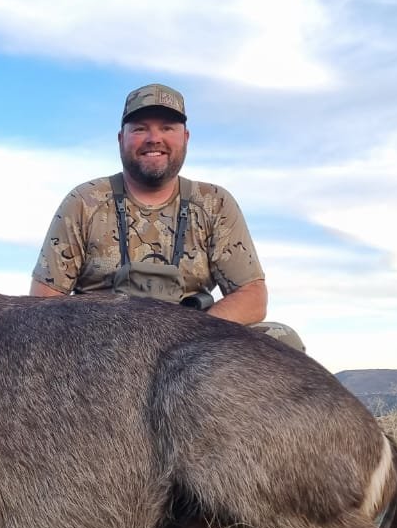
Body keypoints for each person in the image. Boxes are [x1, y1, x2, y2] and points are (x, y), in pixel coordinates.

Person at [30, 83, 304, 351]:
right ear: (120, 139)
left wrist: (189, 336)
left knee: (282, 341)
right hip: (100, 349)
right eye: (140, 128)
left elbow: (252, 297)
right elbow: (43, 304)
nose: (154, 138)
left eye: (167, 128)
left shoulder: (214, 203)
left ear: (185, 138)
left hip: (190, 347)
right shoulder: (84, 201)